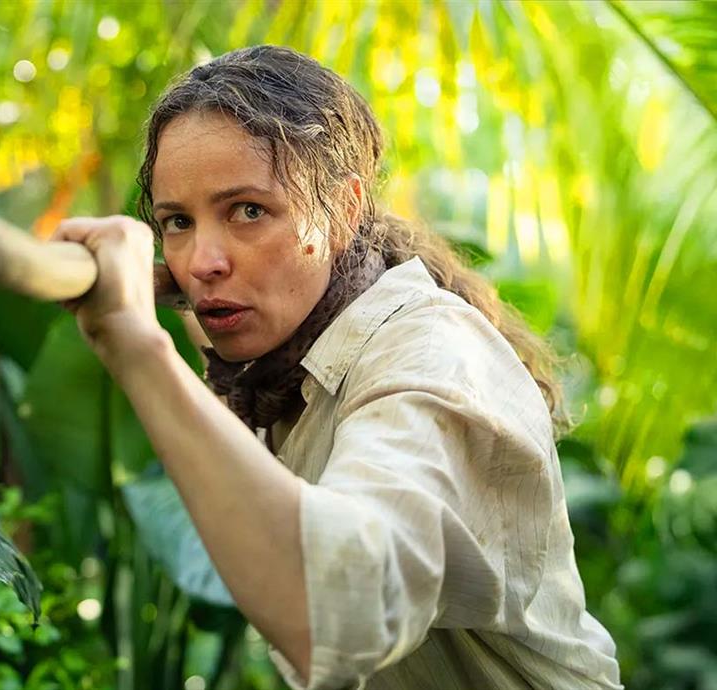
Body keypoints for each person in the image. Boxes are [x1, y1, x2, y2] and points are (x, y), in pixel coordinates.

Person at [51, 45, 622, 690]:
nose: (202, 262)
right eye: (177, 222)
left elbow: (341, 613)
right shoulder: (281, 375)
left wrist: (134, 341)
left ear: (345, 209)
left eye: (248, 211)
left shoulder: (434, 353)